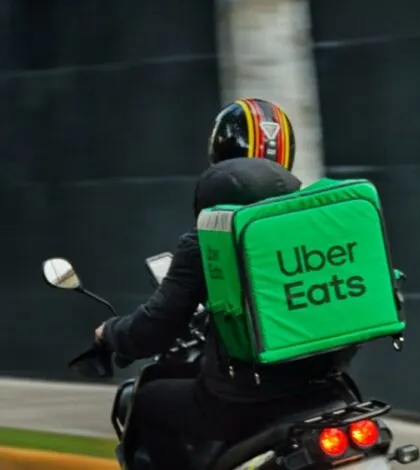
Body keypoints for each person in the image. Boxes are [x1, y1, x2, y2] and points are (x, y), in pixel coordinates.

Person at [94, 100, 357, 470]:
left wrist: (111, 334)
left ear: (218, 152)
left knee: (149, 401)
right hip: (326, 387)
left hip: (244, 401)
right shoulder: (319, 223)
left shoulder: (211, 236)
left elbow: (155, 327)